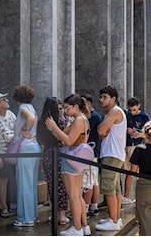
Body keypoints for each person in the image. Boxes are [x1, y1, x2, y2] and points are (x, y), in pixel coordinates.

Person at [45, 94, 91, 236]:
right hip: (76, 158)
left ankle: (77, 228)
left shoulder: (78, 120)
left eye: (67, 108)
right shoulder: (81, 120)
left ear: (76, 106)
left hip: (71, 157)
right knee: (77, 196)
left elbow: (69, 141)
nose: (65, 111)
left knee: (73, 196)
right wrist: (55, 129)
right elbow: (64, 137)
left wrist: (54, 127)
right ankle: (83, 226)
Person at [95, 86, 126, 231]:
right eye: (101, 97)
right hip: (115, 154)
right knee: (115, 189)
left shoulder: (114, 111)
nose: (101, 100)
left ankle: (113, 220)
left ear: (113, 99)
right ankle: (116, 218)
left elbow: (100, 130)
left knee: (108, 189)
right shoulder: (115, 112)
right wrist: (103, 129)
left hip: (111, 154)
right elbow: (102, 133)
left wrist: (103, 128)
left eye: (105, 97)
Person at [11, 85, 41, 227]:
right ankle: (32, 215)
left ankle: (25, 218)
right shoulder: (32, 107)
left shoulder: (23, 108)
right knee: (31, 183)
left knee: (24, 184)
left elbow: (30, 119)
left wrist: (23, 130)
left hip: (25, 148)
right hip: (33, 147)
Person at [37, 97, 70, 225]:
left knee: (51, 185)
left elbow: (40, 140)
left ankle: (54, 214)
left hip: (47, 154)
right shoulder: (62, 122)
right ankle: (62, 215)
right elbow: (63, 139)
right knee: (62, 185)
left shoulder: (41, 122)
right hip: (61, 155)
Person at [123, 96, 150, 204]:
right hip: (128, 145)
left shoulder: (144, 116)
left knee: (140, 173)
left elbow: (149, 132)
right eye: (130, 110)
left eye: (134, 110)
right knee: (128, 172)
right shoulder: (126, 115)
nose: (132, 112)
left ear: (138, 106)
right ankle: (126, 195)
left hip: (139, 146)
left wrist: (139, 134)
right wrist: (127, 131)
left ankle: (141, 196)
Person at [81, 94, 103, 216]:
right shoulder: (94, 116)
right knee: (93, 180)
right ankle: (93, 206)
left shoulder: (93, 117)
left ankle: (86, 208)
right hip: (92, 152)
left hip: (90, 152)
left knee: (88, 181)